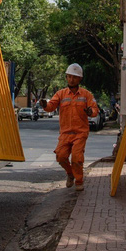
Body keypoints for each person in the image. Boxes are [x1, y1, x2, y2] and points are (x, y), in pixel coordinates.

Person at [39, 63, 99, 191]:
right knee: (61, 156)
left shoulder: (86, 94)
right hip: (65, 133)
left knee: (77, 158)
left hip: (80, 133)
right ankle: (70, 173)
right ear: (66, 77)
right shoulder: (60, 94)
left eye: (74, 77)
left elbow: (94, 109)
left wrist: (90, 112)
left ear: (80, 79)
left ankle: (79, 181)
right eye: (69, 77)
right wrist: (45, 105)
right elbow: (51, 106)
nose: (71, 79)